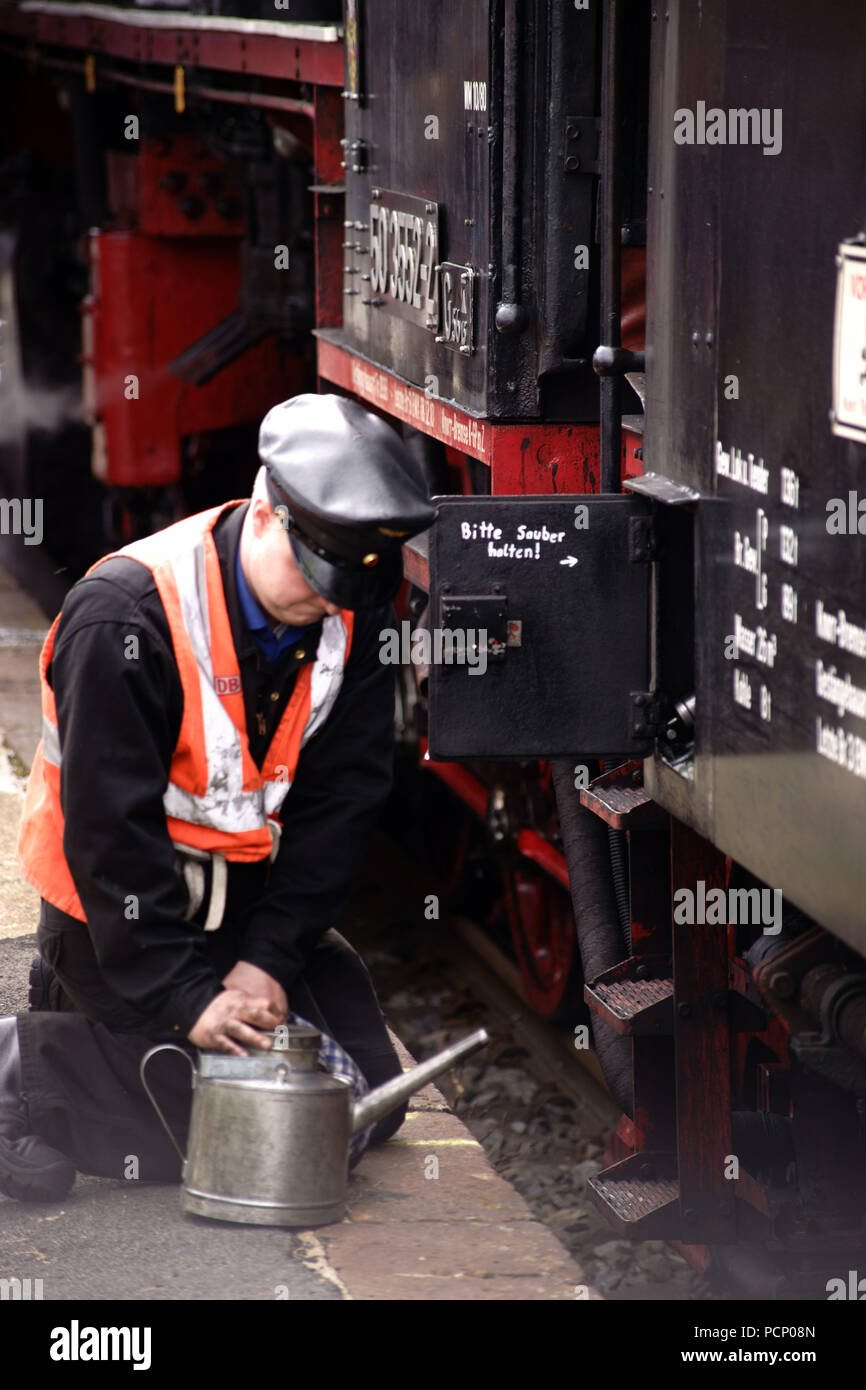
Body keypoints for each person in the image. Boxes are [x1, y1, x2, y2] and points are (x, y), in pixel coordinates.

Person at [1, 392, 436, 1201]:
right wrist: (184, 998)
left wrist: (268, 960)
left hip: (237, 910)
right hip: (120, 925)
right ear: (265, 514)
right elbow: (108, 834)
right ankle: (21, 1074)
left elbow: (343, 802)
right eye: (316, 577)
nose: (329, 604)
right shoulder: (124, 618)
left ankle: (102, 1057)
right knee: (253, 1130)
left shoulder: (349, 612)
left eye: (347, 589)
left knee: (359, 1105)